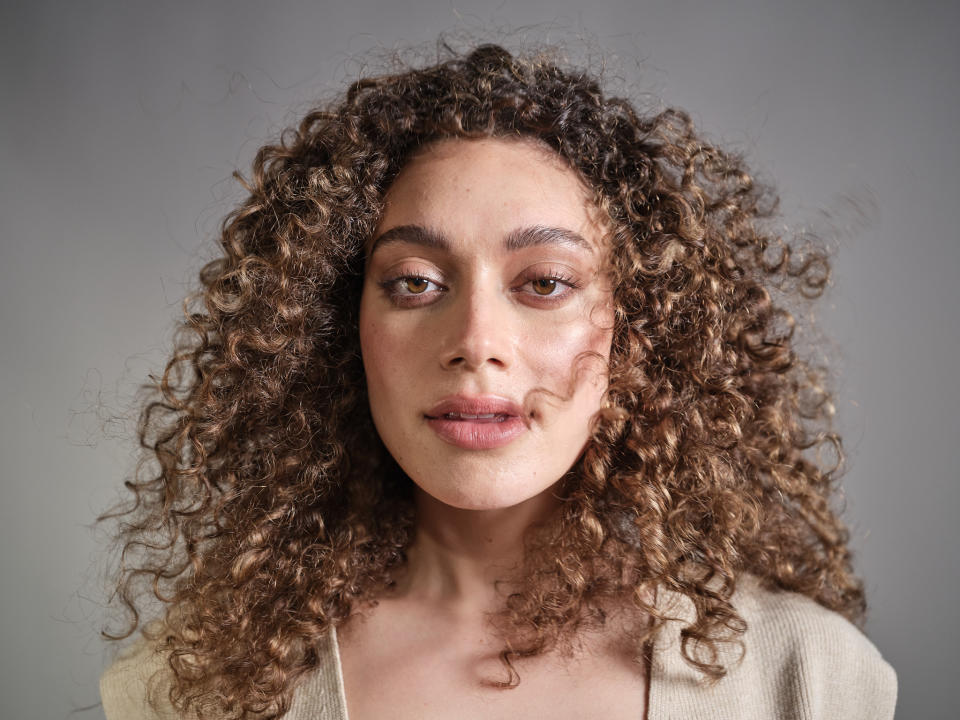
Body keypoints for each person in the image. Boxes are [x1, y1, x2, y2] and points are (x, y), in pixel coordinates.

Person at [99, 43, 897, 719]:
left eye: (544, 282)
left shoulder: (808, 677)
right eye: (415, 282)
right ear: (338, 330)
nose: (476, 343)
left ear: (637, 328)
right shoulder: (188, 689)